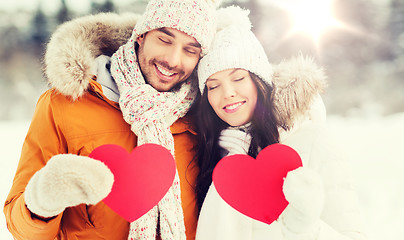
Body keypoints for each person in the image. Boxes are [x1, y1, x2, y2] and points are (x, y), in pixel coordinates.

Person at [3, 0, 218, 239]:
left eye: (190, 50)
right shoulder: (64, 104)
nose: (173, 60)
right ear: (141, 36)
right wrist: (42, 202)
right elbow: (20, 227)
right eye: (164, 40)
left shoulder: (206, 111)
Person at [194, 6, 367, 240]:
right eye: (213, 86)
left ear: (260, 80)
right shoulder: (211, 151)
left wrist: (304, 228)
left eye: (238, 78)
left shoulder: (312, 141)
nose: (227, 93)